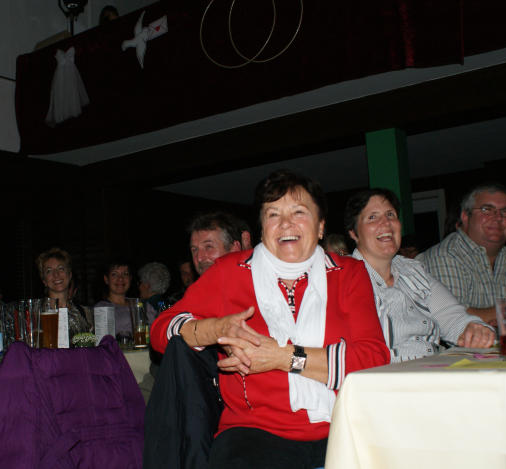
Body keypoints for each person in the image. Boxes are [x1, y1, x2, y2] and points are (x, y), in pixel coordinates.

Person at [151, 169, 389, 469]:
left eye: (298, 212)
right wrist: (216, 329)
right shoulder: (229, 272)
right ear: (262, 228)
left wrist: (283, 357)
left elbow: (374, 359)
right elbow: (161, 331)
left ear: (320, 226)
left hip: (345, 426)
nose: (285, 223)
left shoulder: (348, 274)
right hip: (253, 434)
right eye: (273, 214)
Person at [345, 188, 494, 362]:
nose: (386, 223)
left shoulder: (413, 270)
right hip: (385, 374)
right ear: (353, 233)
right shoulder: (343, 278)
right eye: (372, 217)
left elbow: (453, 318)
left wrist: (474, 329)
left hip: (431, 369)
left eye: (390, 215)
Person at [418, 183, 506, 324]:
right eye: (487, 210)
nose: (498, 217)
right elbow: (453, 320)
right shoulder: (446, 256)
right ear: (465, 216)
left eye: (505, 212)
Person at [94, 260, 156, 340]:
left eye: (125, 274)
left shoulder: (141, 305)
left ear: (130, 278)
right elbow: (103, 341)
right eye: (114, 274)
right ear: (106, 279)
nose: (120, 278)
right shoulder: (102, 308)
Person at [36, 247, 92, 335]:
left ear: (69, 275)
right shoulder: (36, 313)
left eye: (61, 268)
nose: (56, 274)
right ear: (44, 281)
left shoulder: (85, 313)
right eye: (49, 271)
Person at [188, 211, 244, 276]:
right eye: (194, 250)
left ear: (234, 249)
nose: (199, 258)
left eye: (208, 247)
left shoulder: (252, 280)